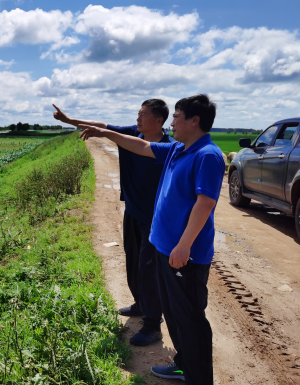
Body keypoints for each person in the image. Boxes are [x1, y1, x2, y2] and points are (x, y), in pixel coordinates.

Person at [79, 94, 226, 385]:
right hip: (164, 247)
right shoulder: (178, 149)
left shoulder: (207, 155)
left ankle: (198, 378)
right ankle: (183, 365)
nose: (172, 123)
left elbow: (205, 203)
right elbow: (142, 146)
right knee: (172, 313)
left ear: (194, 121)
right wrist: (105, 133)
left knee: (190, 318)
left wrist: (184, 245)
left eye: (177, 117)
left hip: (185, 255)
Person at [52, 99, 173, 346]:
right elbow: (101, 125)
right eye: (138, 113)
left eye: (142, 114)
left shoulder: (168, 148)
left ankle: (153, 325)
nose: (137, 118)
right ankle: (140, 304)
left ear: (158, 120)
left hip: (155, 219)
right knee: (133, 261)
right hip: (133, 211)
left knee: (149, 270)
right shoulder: (132, 133)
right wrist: (69, 120)